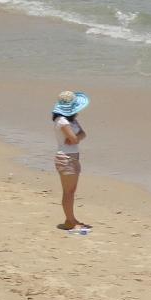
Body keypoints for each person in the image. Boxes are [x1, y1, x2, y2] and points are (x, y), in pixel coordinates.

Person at [51, 90, 91, 231]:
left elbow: (82, 134)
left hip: (72, 157)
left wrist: (76, 138)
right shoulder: (61, 120)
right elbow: (73, 139)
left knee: (71, 191)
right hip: (65, 158)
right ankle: (70, 221)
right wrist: (76, 138)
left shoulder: (71, 120)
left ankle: (71, 219)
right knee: (68, 191)